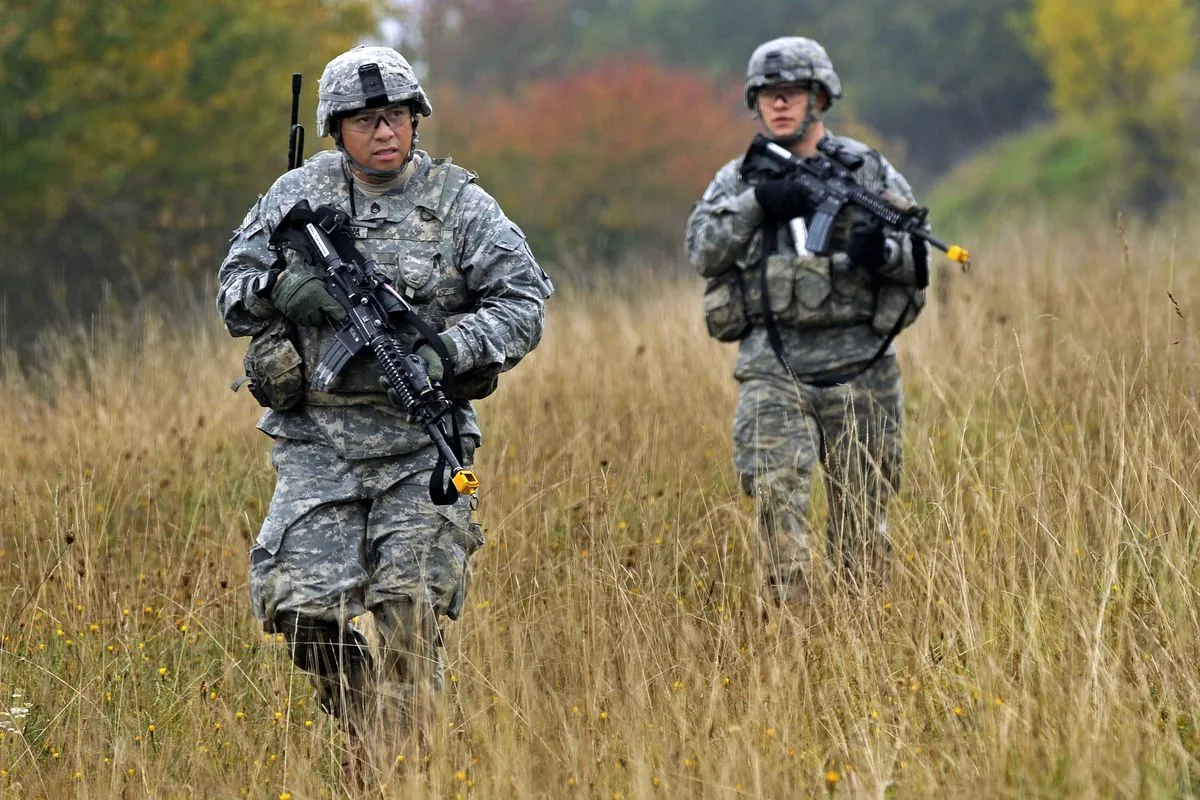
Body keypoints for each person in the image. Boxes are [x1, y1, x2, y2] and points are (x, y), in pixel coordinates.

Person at [217, 45, 553, 769]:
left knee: (411, 619)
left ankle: (401, 769)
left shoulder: (460, 203)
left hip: (421, 449)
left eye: (396, 116)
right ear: (338, 129)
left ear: (416, 121)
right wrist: (281, 290)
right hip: (320, 450)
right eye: (367, 120)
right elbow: (232, 289)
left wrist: (451, 350)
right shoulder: (295, 196)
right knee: (298, 611)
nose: (385, 132)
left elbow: (525, 301)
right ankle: (359, 712)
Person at [684, 37, 928, 607]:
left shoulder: (866, 168)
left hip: (861, 369)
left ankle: (861, 650)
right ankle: (792, 646)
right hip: (774, 368)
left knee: (864, 525)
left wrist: (879, 253)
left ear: (819, 97)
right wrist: (758, 205)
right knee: (776, 508)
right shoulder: (742, 177)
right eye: (767, 95)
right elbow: (702, 250)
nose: (779, 105)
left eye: (791, 93)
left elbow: (917, 259)